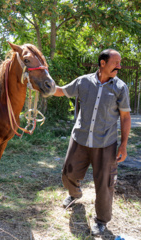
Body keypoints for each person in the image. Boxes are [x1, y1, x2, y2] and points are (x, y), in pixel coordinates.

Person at [53, 49, 131, 236]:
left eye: (120, 63)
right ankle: (74, 194)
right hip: (80, 138)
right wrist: (42, 85)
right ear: (102, 63)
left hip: (106, 143)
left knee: (105, 184)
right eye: (115, 63)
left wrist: (123, 145)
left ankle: (101, 220)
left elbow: (125, 117)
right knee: (67, 173)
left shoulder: (120, 87)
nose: (119, 66)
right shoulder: (83, 82)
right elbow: (61, 91)